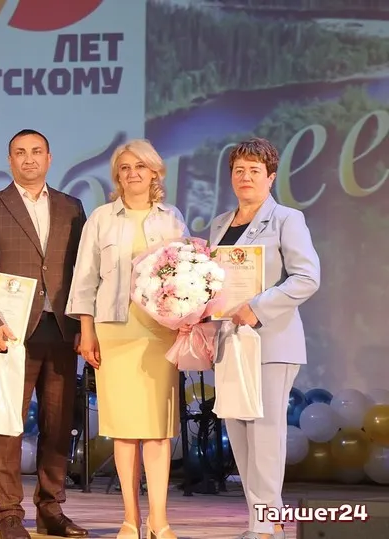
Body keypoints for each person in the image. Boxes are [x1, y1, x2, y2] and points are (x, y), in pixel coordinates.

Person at [0, 129, 90, 539]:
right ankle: (9, 514)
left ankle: (51, 509)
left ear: (49, 159)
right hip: (11, 333)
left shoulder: (71, 207)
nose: (29, 159)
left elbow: (84, 272)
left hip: (61, 330)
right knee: (8, 424)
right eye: (20, 152)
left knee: (58, 425)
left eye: (36, 152)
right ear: (10, 159)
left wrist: (84, 325)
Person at [66, 139, 187, 539]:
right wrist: (86, 331)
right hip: (114, 332)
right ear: (117, 175)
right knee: (124, 430)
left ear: (155, 172)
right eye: (124, 167)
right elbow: (84, 280)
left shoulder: (172, 219)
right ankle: (130, 519)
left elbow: (188, 275)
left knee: (157, 429)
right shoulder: (101, 218)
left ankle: (159, 520)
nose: (132, 173)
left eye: (140, 166)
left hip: (160, 334)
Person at [209, 138, 320, 539]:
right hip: (229, 343)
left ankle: (268, 523)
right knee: (239, 436)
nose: (246, 177)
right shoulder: (220, 223)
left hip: (271, 341)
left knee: (265, 434)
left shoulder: (287, 219)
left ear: (271, 177)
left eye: (255, 171)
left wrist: (257, 306)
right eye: (239, 170)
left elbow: (307, 278)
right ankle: (257, 519)